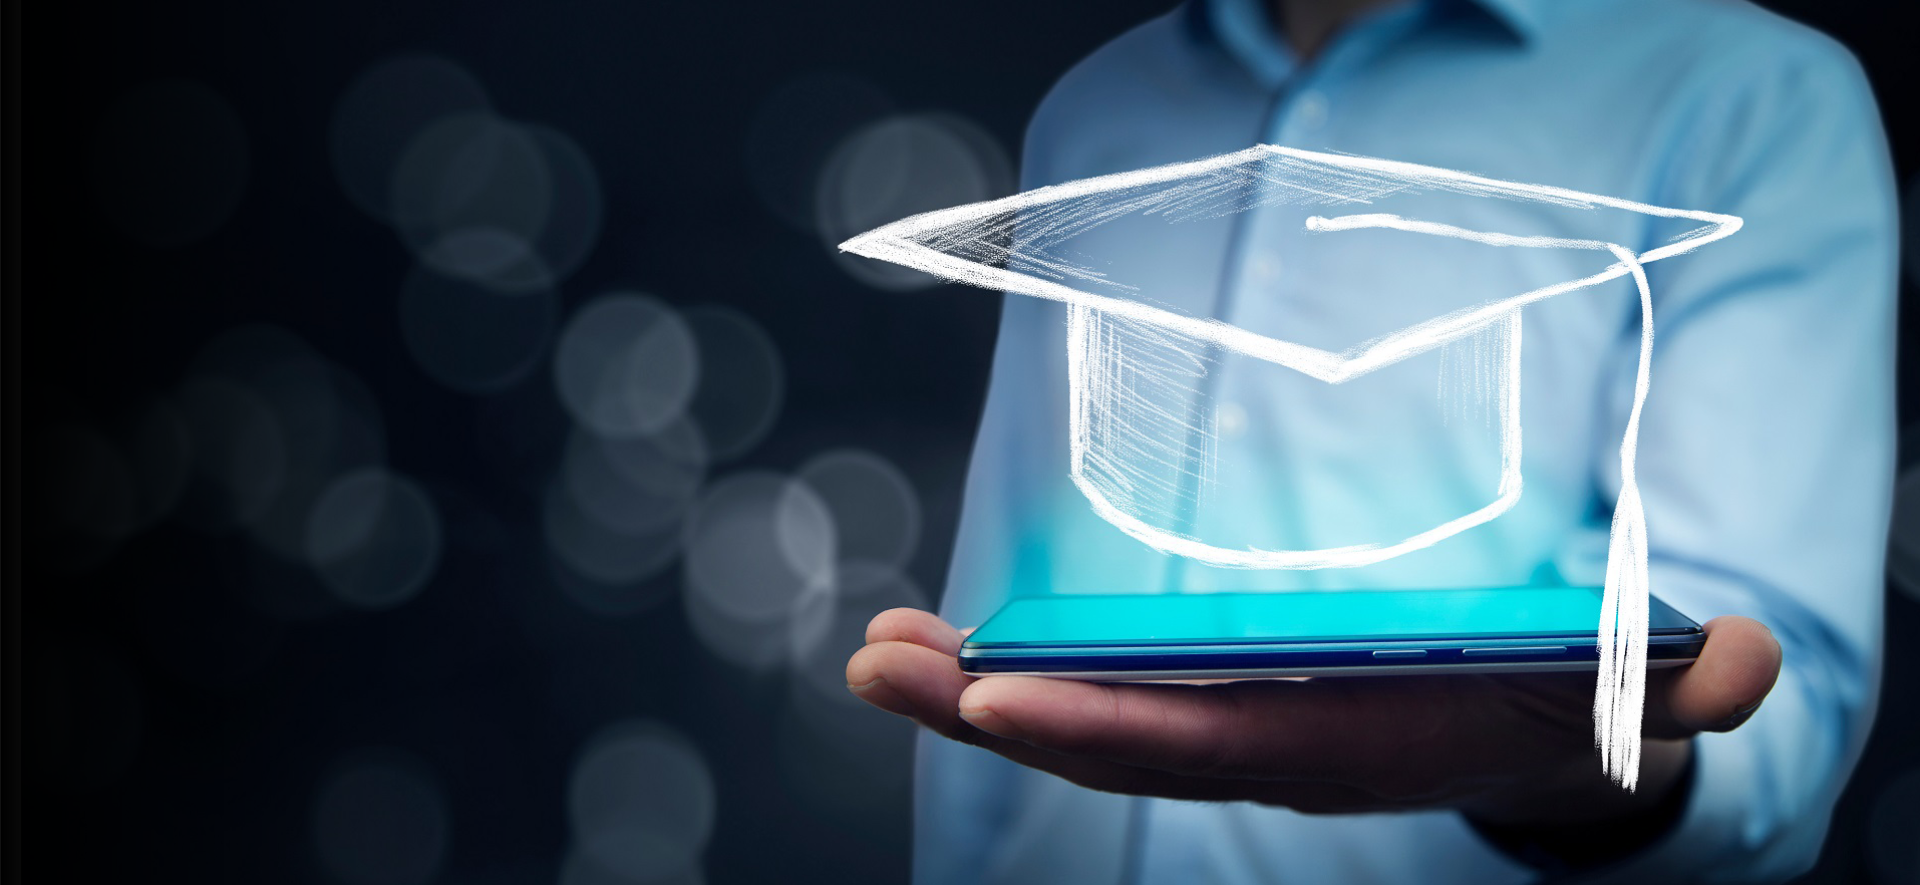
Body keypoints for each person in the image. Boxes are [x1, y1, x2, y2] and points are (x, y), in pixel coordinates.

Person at [846, 0, 1896, 881]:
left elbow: (1771, 717)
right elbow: (1014, 549)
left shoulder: (1748, 93)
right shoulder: (1100, 105)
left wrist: (1574, 774)